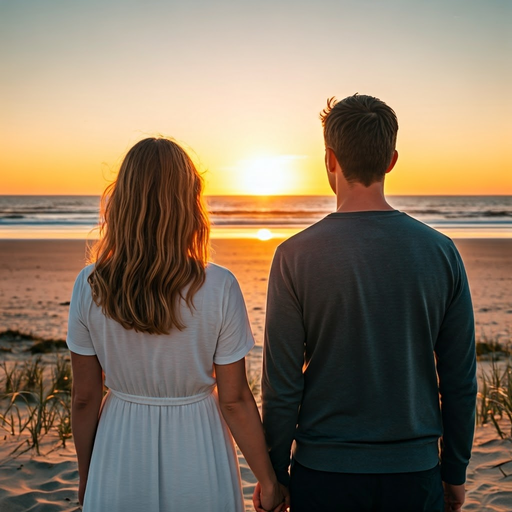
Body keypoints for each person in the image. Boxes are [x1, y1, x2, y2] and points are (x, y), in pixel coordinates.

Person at [254, 94, 477, 512]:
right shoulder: (442, 252)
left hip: (324, 475)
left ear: (329, 160)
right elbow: (460, 380)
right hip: (415, 473)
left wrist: (276, 474)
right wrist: (455, 471)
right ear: (391, 160)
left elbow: (282, 386)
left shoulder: (294, 256)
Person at [67, 137, 285, 512]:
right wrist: (268, 481)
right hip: (198, 442)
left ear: (123, 200)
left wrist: (88, 474)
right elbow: (234, 399)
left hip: (119, 443)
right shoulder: (218, 285)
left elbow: (85, 398)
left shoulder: (90, 284)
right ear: (190, 202)